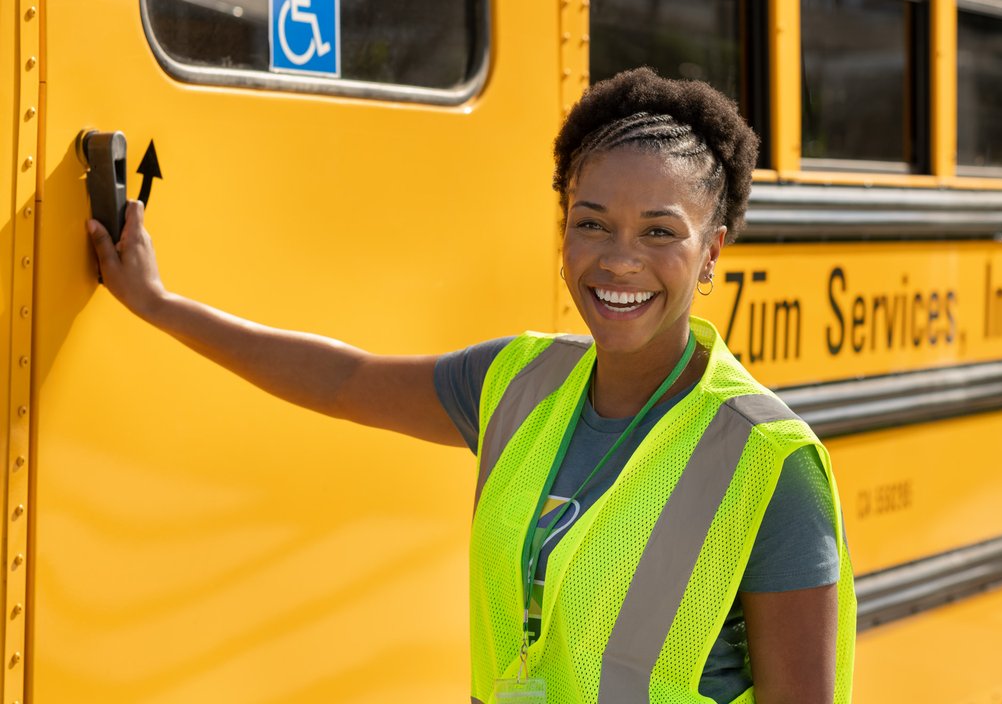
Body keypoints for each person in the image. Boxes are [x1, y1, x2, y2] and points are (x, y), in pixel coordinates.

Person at [87, 68, 856, 704]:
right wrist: (161, 305)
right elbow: (343, 378)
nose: (619, 261)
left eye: (660, 232)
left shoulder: (768, 464)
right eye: (590, 224)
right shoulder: (518, 383)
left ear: (714, 250)